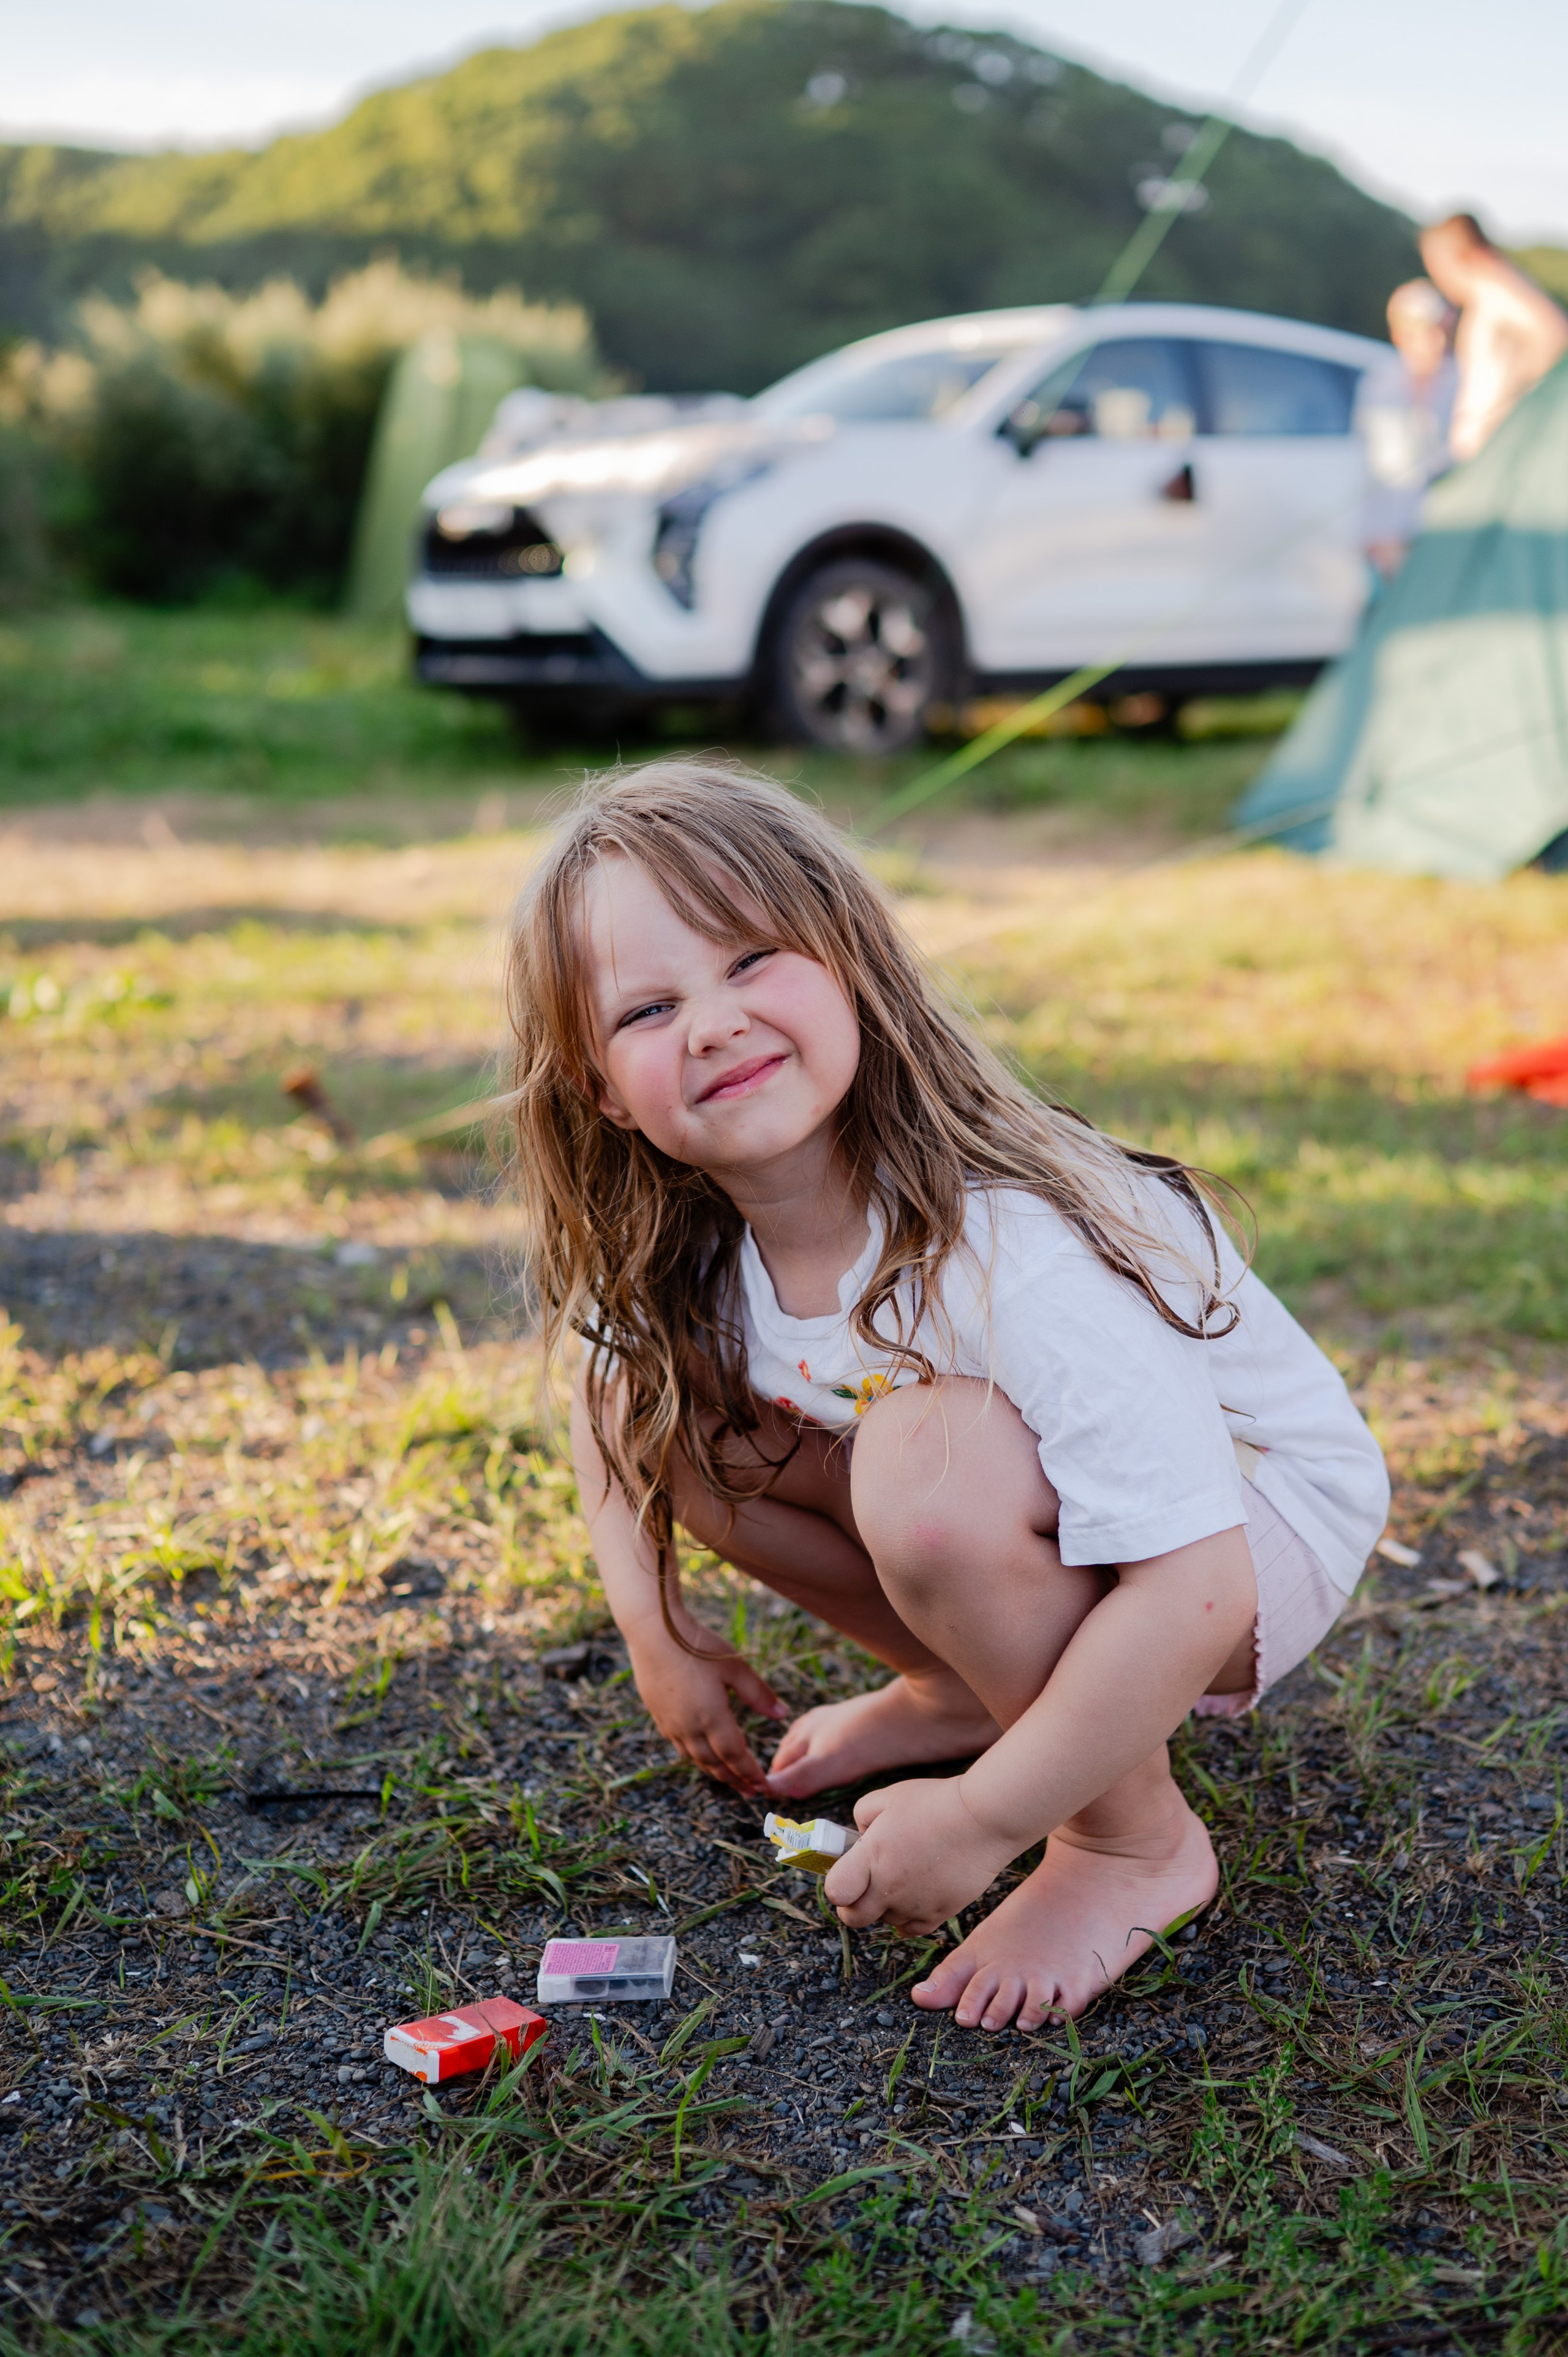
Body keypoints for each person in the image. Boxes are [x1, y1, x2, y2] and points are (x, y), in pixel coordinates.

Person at [504, 762, 1389, 2030]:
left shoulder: (1009, 1241)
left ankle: (1129, 1840)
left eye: (751, 959)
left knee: (923, 1462)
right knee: (681, 1421)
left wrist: (981, 1818)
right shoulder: (700, 1247)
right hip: (1093, 1527)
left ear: (851, 962)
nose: (712, 1023)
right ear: (598, 1087)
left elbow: (1194, 1584)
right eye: (648, 1008)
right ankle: (966, 1689)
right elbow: (610, 1409)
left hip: (1245, 1538)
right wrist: (657, 1632)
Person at [1419, 213, 1568, 462]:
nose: (1437, 277)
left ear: (1456, 255)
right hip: (1490, 453)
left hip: (1502, 451)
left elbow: (1556, 335)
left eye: (1435, 264)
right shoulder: (1485, 294)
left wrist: (1513, 401)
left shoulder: (1494, 283)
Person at [1357, 279, 1457, 579]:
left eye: (1442, 330)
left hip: (1450, 530)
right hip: (1392, 536)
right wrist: (1372, 534)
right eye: (1425, 331)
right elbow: (1368, 464)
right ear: (1399, 334)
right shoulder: (1379, 384)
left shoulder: (1464, 380)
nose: (1437, 342)